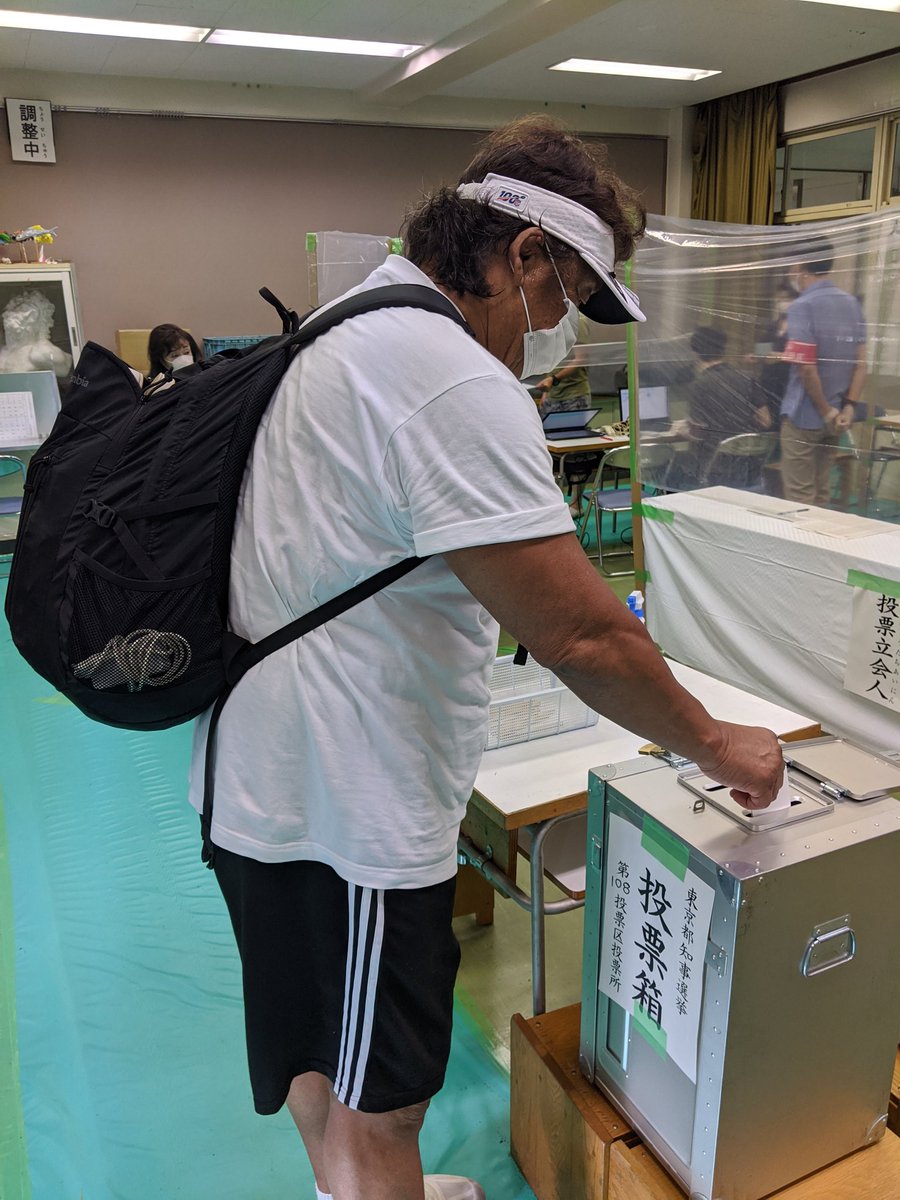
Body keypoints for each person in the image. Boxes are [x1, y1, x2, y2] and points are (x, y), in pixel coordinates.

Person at [189, 116, 783, 1200]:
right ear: (522, 254)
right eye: (565, 299)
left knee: (320, 1048)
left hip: (257, 773)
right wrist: (716, 743)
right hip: (349, 804)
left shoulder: (347, 323)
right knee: (384, 1099)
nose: (557, 330)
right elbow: (582, 635)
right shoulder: (447, 375)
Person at [779, 240, 867, 506]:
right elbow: (861, 363)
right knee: (821, 495)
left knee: (800, 499)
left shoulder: (802, 306)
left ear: (800, 267)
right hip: (839, 417)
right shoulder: (851, 304)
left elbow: (807, 368)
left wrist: (824, 410)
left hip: (805, 416)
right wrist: (848, 407)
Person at [670, 326, 771, 489]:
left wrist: (681, 430)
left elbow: (698, 433)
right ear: (723, 350)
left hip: (713, 471)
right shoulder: (747, 377)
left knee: (673, 470)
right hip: (749, 469)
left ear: (695, 353)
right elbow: (765, 421)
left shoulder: (699, 385)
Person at [534, 313, 596, 516]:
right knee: (548, 450)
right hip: (554, 394)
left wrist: (554, 380)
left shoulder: (579, 321)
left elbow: (581, 359)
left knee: (576, 453)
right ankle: (554, 504)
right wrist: (548, 389)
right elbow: (551, 359)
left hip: (574, 395)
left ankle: (576, 504)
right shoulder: (551, 319)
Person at [0, 288, 73, 377]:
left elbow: (66, 368)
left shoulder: (41, 352)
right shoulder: (4, 351)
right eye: (11, 310)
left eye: (21, 309)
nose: (8, 315)